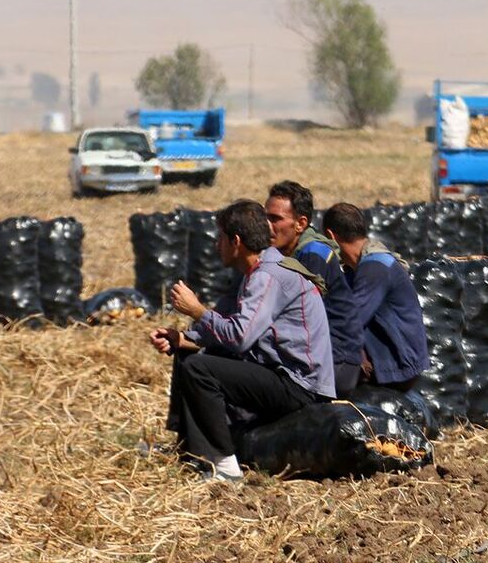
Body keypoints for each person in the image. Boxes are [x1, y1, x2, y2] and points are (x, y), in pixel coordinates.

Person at [148, 199, 335, 481]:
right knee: (187, 357)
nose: (215, 246)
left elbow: (239, 338)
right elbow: (223, 325)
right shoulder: (252, 274)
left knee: (200, 369)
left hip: (300, 386)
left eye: (220, 238)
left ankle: (225, 466)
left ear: (236, 241)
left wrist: (197, 310)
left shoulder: (268, 276)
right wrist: (181, 339)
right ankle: (189, 451)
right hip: (275, 373)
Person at [266, 181, 363, 398]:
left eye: (276, 219)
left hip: (336, 361)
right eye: (266, 217)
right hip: (319, 355)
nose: (267, 225)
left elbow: (295, 316)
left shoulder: (313, 255)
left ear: (300, 224)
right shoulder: (289, 254)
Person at [322, 203, 429, 392]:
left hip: (397, 365)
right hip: (387, 358)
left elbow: (350, 320)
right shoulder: (356, 268)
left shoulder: (375, 267)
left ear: (331, 236)